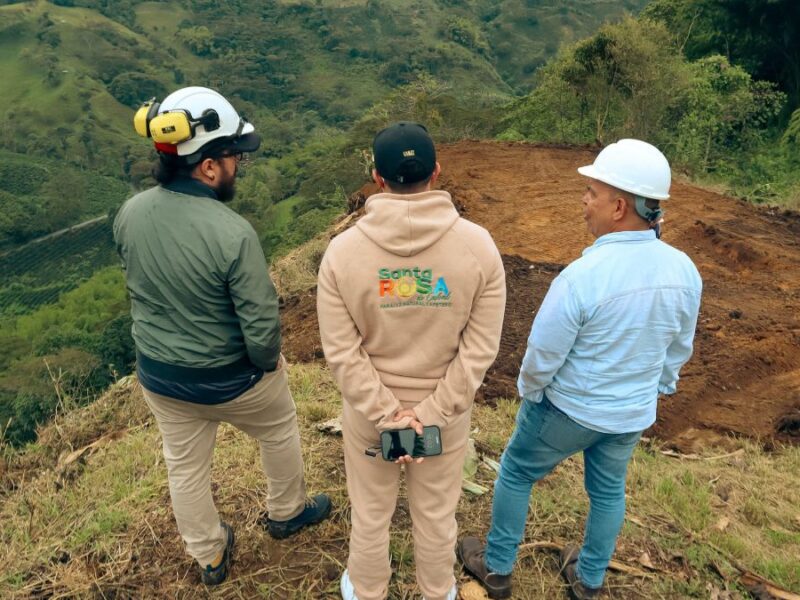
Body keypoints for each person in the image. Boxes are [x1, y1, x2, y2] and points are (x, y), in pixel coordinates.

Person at [458, 139, 702, 600]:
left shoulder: (582, 277)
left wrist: (530, 392)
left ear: (619, 206)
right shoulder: (684, 270)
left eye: (591, 192)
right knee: (608, 492)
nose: (584, 201)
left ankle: (496, 567)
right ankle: (589, 580)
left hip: (568, 410)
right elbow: (678, 346)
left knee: (515, 471)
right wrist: (658, 388)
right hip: (630, 414)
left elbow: (543, 354)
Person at [114, 86, 331, 586]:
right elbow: (260, 328)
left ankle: (209, 556)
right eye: (235, 155)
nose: (239, 164)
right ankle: (287, 512)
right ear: (208, 166)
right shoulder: (232, 232)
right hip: (233, 379)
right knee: (278, 429)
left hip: (161, 377)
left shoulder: (130, 213)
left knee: (184, 465)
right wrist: (267, 362)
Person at [317, 122, 506, 600]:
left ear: (376, 178)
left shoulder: (342, 254)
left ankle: (367, 590)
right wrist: (427, 416)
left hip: (368, 417)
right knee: (437, 514)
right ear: (436, 173)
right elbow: (479, 351)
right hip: (445, 415)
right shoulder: (479, 248)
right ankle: (437, 590)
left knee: (372, 511)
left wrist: (390, 416)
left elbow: (342, 353)